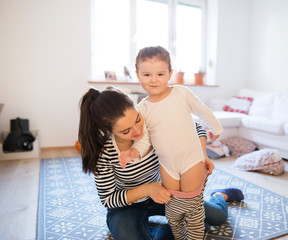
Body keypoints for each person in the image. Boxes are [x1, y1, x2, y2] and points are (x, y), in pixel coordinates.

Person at [78, 87, 244, 240]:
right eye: (125, 131)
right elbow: (108, 199)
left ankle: (219, 196)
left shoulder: (153, 123)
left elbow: (196, 127)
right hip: (128, 206)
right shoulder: (104, 153)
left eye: (137, 119)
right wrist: (148, 189)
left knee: (218, 217)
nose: (137, 131)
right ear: (108, 131)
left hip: (166, 195)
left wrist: (202, 155)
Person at [120, 46, 223, 239]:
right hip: (167, 166)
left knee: (192, 209)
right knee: (173, 212)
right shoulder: (142, 109)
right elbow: (144, 141)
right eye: (147, 74)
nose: (153, 79)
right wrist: (133, 153)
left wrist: (215, 129)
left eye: (160, 73)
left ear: (170, 74)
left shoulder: (181, 93)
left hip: (191, 160)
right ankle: (178, 235)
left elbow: (202, 111)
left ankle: (196, 233)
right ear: (138, 75)